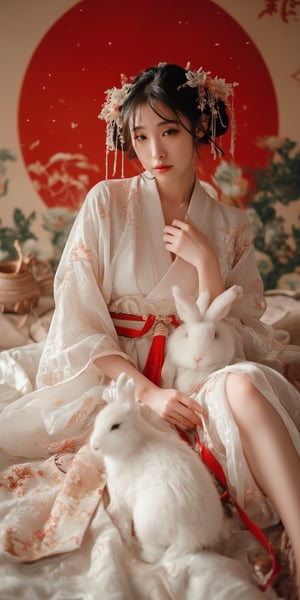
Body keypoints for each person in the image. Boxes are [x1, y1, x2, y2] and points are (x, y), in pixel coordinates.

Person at [0, 62, 300, 597]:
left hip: (199, 367)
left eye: (170, 132)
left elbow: (244, 333)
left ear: (199, 130)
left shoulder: (231, 225)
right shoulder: (106, 204)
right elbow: (81, 322)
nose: (154, 151)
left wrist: (207, 264)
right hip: (118, 373)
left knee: (250, 383)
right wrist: (150, 395)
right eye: (140, 136)